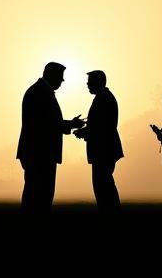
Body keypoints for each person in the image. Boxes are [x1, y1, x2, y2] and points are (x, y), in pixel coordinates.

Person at [16, 61, 85, 212]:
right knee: (40, 196)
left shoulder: (37, 91)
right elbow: (48, 124)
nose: (62, 80)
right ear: (51, 75)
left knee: (35, 195)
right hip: (40, 153)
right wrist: (71, 125)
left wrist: (70, 124)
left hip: (36, 153)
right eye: (60, 76)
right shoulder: (41, 93)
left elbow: (47, 123)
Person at [73, 70, 123, 211]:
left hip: (103, 149)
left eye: (89, 82)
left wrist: (84, 131)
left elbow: (102, 126)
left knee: (102, 184)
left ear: (97, 82)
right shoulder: (104, 97)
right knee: (104, 183)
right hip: (105, 148)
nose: (87, 85)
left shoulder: (103, 99)